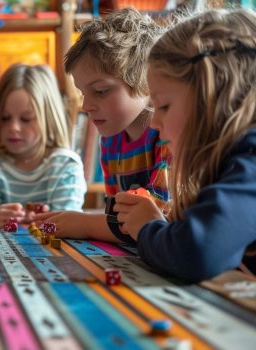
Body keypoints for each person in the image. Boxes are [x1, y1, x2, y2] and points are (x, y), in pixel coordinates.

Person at [114, 9, 256, 293]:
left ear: (214, 97)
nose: (154, 123)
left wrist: (148, 228)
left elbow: (197, 252)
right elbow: (222, 251)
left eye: (164, 106)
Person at [34, 8, 170, 243]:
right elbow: (116, 217)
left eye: (100, 91)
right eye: (82, 93)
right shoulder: (111, 140)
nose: (86, 106)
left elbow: (157, 219)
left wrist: (85, 223)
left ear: (149, 80)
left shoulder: (169, 135)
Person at [0, 63, 86, 227]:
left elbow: (69, 219)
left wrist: (44, 221)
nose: (14, 127)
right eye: (5, 118)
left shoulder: (64, 166)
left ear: (49, 118)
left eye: (26, 119)